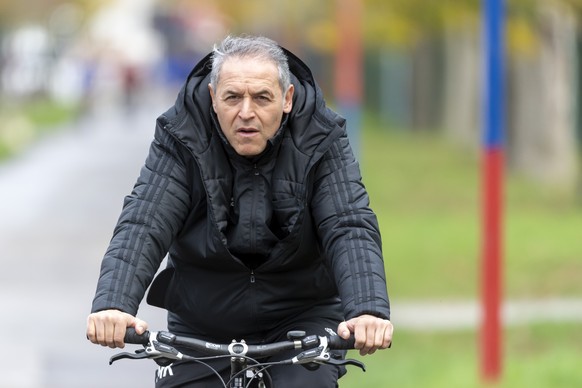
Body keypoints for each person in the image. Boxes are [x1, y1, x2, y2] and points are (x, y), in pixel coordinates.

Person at [87, 35, 393, 387]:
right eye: (233, 97)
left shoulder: (321, 136)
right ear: (213, 97)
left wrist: (367, 309)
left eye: (262, 98)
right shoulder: (182, 134)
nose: (246, 112)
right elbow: (145, 219)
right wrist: (114, 303)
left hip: (301, 312)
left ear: (287, 99)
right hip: (203, 315)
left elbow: (348, 222)